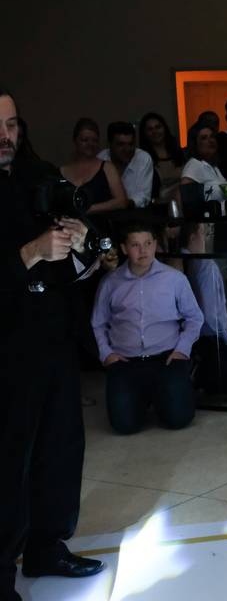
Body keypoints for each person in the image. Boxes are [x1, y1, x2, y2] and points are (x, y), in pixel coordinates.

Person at [0, 89, 105, 601]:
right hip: (7, 348)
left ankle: (47, 546)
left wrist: (80, 242)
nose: (6, 138)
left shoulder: (35, 175)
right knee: (8, 462)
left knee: (60, 449)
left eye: (13, 125)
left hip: (54, 337)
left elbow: (77, 265)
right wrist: (30, 252)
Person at [91, 223, 203, 434]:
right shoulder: (110, 283)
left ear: (155, 245)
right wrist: (106, 353)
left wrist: (182, 349)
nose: (142, 251)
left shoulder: (174, 279)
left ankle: (162, 394)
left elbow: (194, 317)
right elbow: (98, 322)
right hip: (125, 361)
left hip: (167, 358)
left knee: (179, 419)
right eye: (135, 245)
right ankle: (143, 397)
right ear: (124, 248)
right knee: (124, 426)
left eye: (148, 244)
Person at [181, 222, 227, 397]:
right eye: (205, 231)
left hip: (195, 333)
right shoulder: (205, 265)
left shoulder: (183, 261)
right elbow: (210, 312)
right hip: (211, 334)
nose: (208, 235)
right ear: (193, 236)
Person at [60, 118, 128, 213]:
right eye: (85, 140)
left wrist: (87, 209)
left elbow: (121, 202)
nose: (90, 144)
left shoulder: (107, 167)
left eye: (94, 140)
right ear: (75, 141)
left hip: (101, 223)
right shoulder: (62, 171)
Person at [98, 121, 155, 208]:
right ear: (109, 144)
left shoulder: (143, 158)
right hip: (105, 214)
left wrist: (122, 204)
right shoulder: (100, 159)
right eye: (121, 144)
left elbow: (143, 196)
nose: (127, 149)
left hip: (136, 213)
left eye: (131, 144)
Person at [139, 112, 185, 202]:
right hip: (160, 206)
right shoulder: (143, 158)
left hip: (185, 201)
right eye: (150, 129)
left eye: (158, 127)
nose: (155, 132)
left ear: (165, 128)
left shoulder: (178, 152)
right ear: (145, 133)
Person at [181, 120, 227, 202]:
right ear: (195, 144)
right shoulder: (193, 165)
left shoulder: (214, 166)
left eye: (212, 136)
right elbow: (186, 201)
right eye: (204, 138)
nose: (211, 141)